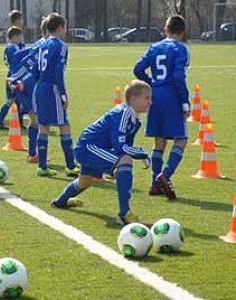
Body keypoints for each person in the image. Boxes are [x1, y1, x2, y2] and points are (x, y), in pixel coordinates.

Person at [52, 80, 152, 225]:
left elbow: (125, 147)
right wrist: (142, 154)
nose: (150, 102)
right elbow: (121, 148)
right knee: (125, 161)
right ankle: (124, 214)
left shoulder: (135, 121)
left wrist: (118, 167)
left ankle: (60, 202)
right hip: (88, 148)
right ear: (134, 99)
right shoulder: (122, 114)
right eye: (147, 98)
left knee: (84, 181)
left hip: (92, 148)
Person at [133, 15, 189, 200]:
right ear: (182, 32)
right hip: (171, 95)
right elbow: (179, 77)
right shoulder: (181, 49)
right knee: (181, 139)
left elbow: (138, 69)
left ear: (166, 30)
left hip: (155, 96)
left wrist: (152, 84)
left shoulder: (154, 47)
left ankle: (154, 184)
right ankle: (164, 176)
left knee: (159, 141)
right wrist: (185, 101)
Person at [34, 13, 78, 177]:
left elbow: (38, 68)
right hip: (52, 87)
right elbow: (59, 70)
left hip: (40, 86)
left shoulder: (43, 44)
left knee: (44, 126)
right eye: (65, 27)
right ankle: (71, 165)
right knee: (64, 125)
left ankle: (42, 166)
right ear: (60, 28)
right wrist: (63, 94)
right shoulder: (60, 45)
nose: (65, 31)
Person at [9, 17, 49, 163]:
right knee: (37, 120)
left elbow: (20, 55)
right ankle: (34, 155)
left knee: (36, 120)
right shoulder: (46, 45)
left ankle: (34, 154)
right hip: (30, 85)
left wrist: (14, 76)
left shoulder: (40, 42)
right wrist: (14, 78)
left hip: (27, 84)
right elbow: (28, 60)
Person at [0, 26, 22, 129]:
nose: (20, 39)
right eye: (19, 37)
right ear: (14, 37)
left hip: (10, 74)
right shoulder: (14, 48)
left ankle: (18, 122)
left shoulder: (8, 47)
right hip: (14, 75)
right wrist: (15, 79)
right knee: (11, 100)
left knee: (17, 100)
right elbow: (16, 63)